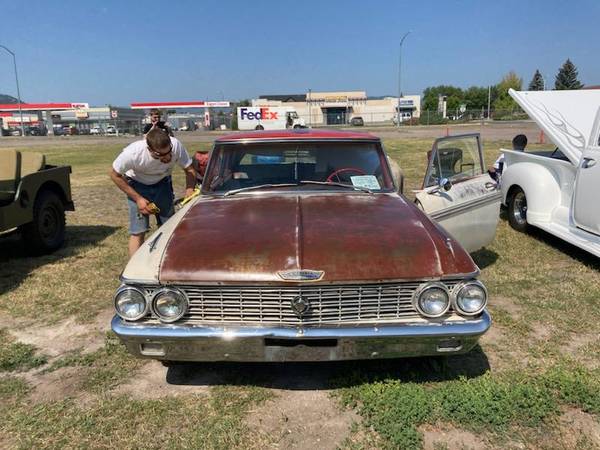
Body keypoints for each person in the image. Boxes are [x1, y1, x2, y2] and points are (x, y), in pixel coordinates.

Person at [110, 127, 196, 257]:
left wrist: (189, 189)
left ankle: (168, 259)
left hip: (163, 185)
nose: (167, 157)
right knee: (138, 231)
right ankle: (135, 269)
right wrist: (138, 199)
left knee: (169, 226)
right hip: (137, 186)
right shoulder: (133, 153)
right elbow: (114, 174)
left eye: (169, 152)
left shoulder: (176, 145)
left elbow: (189, 169)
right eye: (160, 155)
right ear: (149, 149)